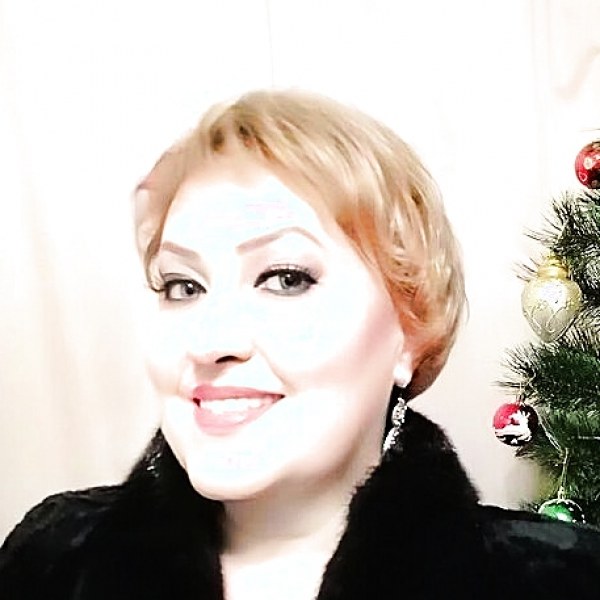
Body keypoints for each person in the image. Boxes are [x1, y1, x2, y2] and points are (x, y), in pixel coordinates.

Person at [1, 90, 599, 600]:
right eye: (182, 286)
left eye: (285, 278)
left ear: (410, 331)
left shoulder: (562, 581)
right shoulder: (50, 562)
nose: (210, 341)